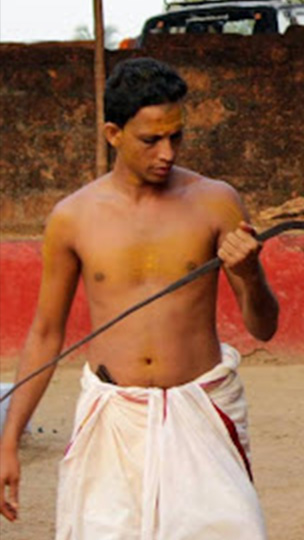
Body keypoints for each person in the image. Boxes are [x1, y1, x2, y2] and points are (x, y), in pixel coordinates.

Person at [0, 58, 278, 538]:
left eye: (176, 137)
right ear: (113, 133)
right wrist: (7, 443)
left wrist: (250, 275)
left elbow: (264, 327)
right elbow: (46, 334)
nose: (166, 152)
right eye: (151, 140)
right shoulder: (74, 217)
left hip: (202, 407)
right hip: (112, 414)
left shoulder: (215, 201)